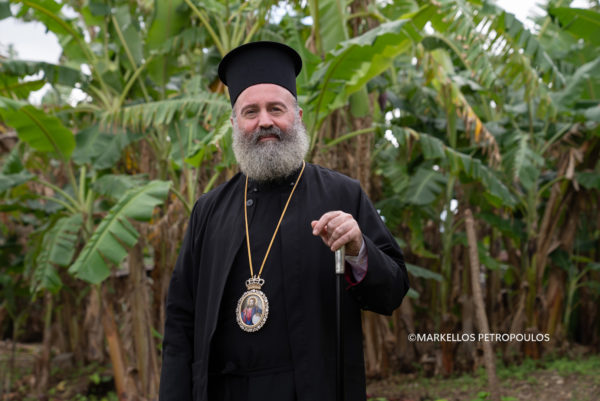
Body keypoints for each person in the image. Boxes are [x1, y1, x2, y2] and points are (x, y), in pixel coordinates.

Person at [159, 41, 409, 401]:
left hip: (312, 391)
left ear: (298, 116)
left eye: (276, 109)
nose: (265, 121)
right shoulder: (208, 210)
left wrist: (358, 249)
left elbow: (392, 292)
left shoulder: (342, 194)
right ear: (234, 123)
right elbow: (181, 322)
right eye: (250, 112)